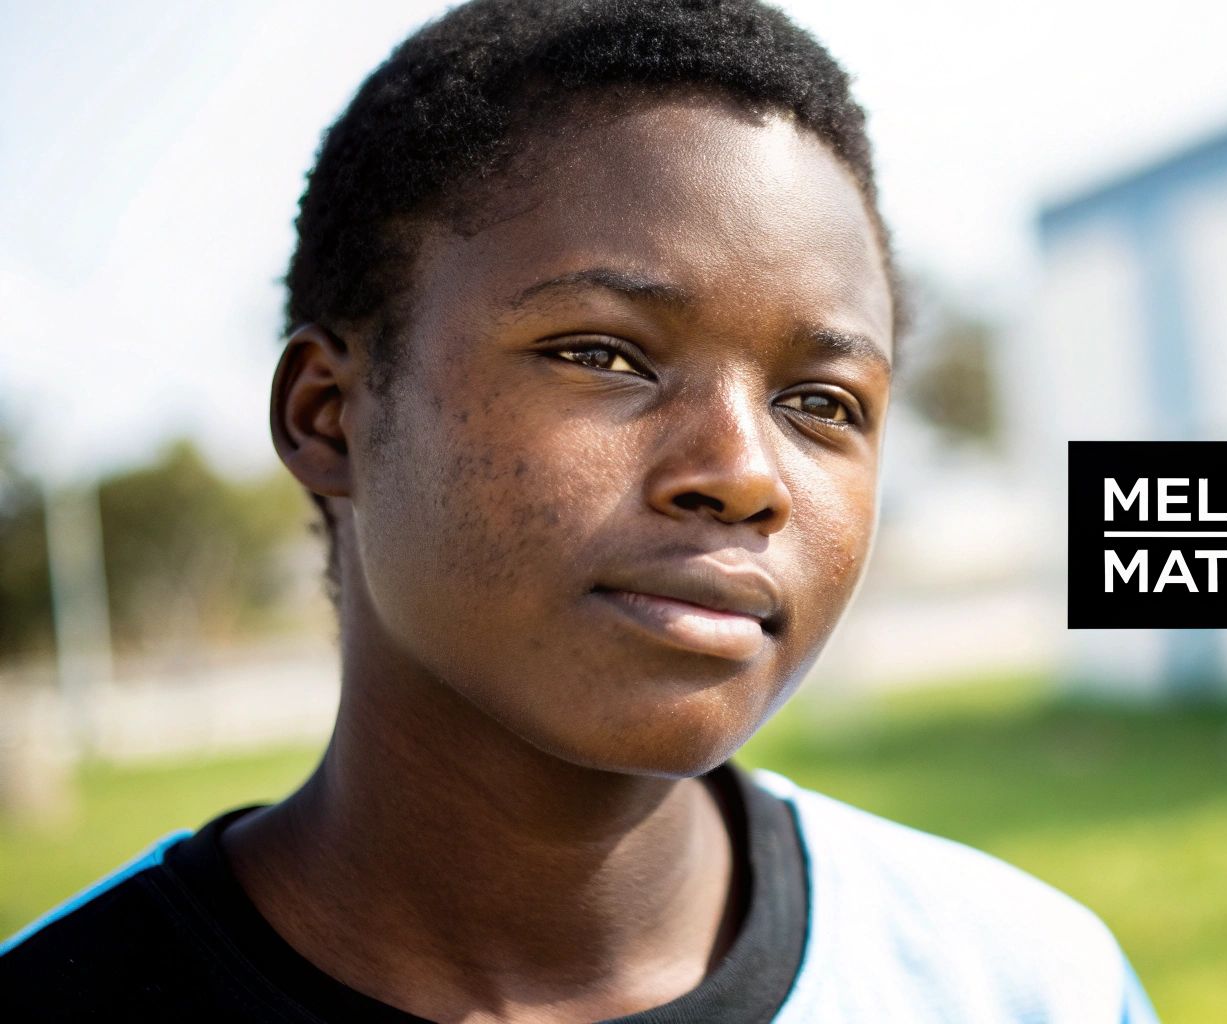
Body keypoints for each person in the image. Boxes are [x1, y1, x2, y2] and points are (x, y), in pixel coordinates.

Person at [0, 1, 1158, 1021]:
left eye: (820, 401)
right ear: (327, 416)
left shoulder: (1018, 985)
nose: (740, 472)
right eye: (604, 354)